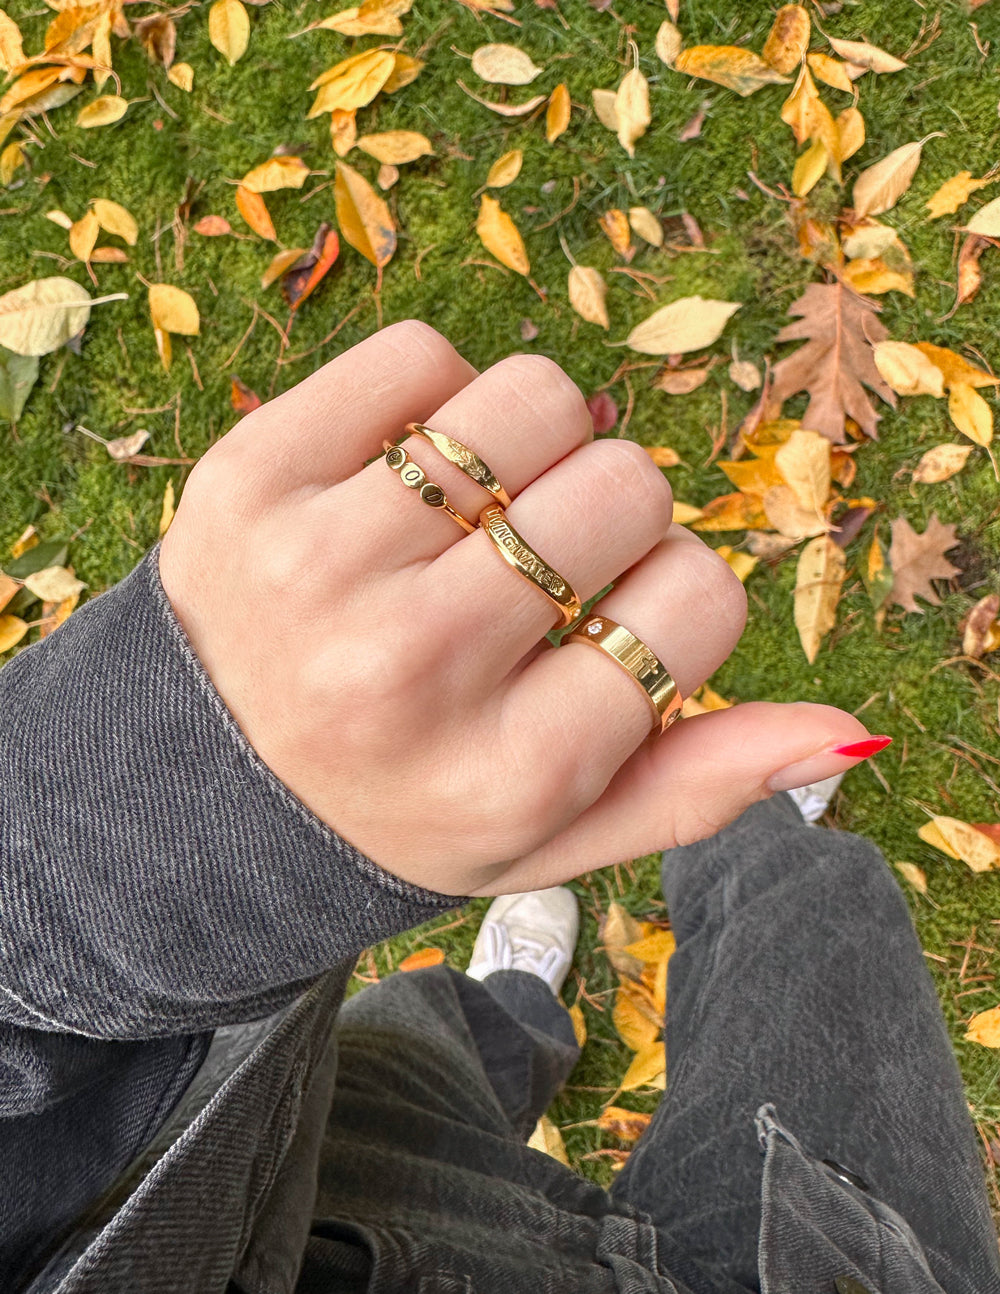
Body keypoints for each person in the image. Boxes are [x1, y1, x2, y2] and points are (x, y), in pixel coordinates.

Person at [0, 322, 997, 1294]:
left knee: (445, 1036)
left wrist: (104, 856)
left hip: (273, 1146)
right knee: (814, 910)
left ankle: (520, 1001)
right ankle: (765, 821)